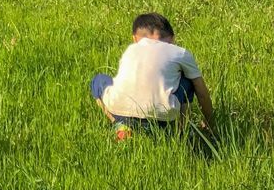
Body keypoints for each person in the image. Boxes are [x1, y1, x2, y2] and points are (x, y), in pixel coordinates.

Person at [89, 12, 214, 140]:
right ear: (172, 38)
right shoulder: (181, 53)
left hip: (119, 111)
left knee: (97, 81)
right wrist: (210, 124)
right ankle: (180, 133)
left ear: (134, 38)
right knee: (188, 81)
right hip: (162, 117)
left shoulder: (131, 50)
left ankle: (120, 124)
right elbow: (202, 93)